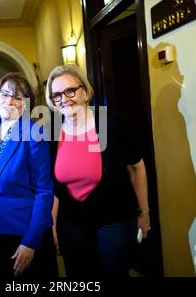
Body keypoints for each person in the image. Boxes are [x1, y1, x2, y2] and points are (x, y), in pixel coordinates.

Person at [45, 65, 151, 277]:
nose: (64, 99)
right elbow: (54, 187)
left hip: (114, 220)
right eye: (56, 95)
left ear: (84, 91)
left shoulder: (109, 122)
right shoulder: (52, 130)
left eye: (70, 91)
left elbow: (136, 168)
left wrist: (144, 212)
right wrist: (53, 225)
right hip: (72, 224)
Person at [0, 73, 57, 278]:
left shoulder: (35, 133)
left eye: (17, 97)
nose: (9, 101)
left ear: (26, 104)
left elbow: (44, 192)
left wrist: (30, 241)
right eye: (5, 94)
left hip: (22, 231)